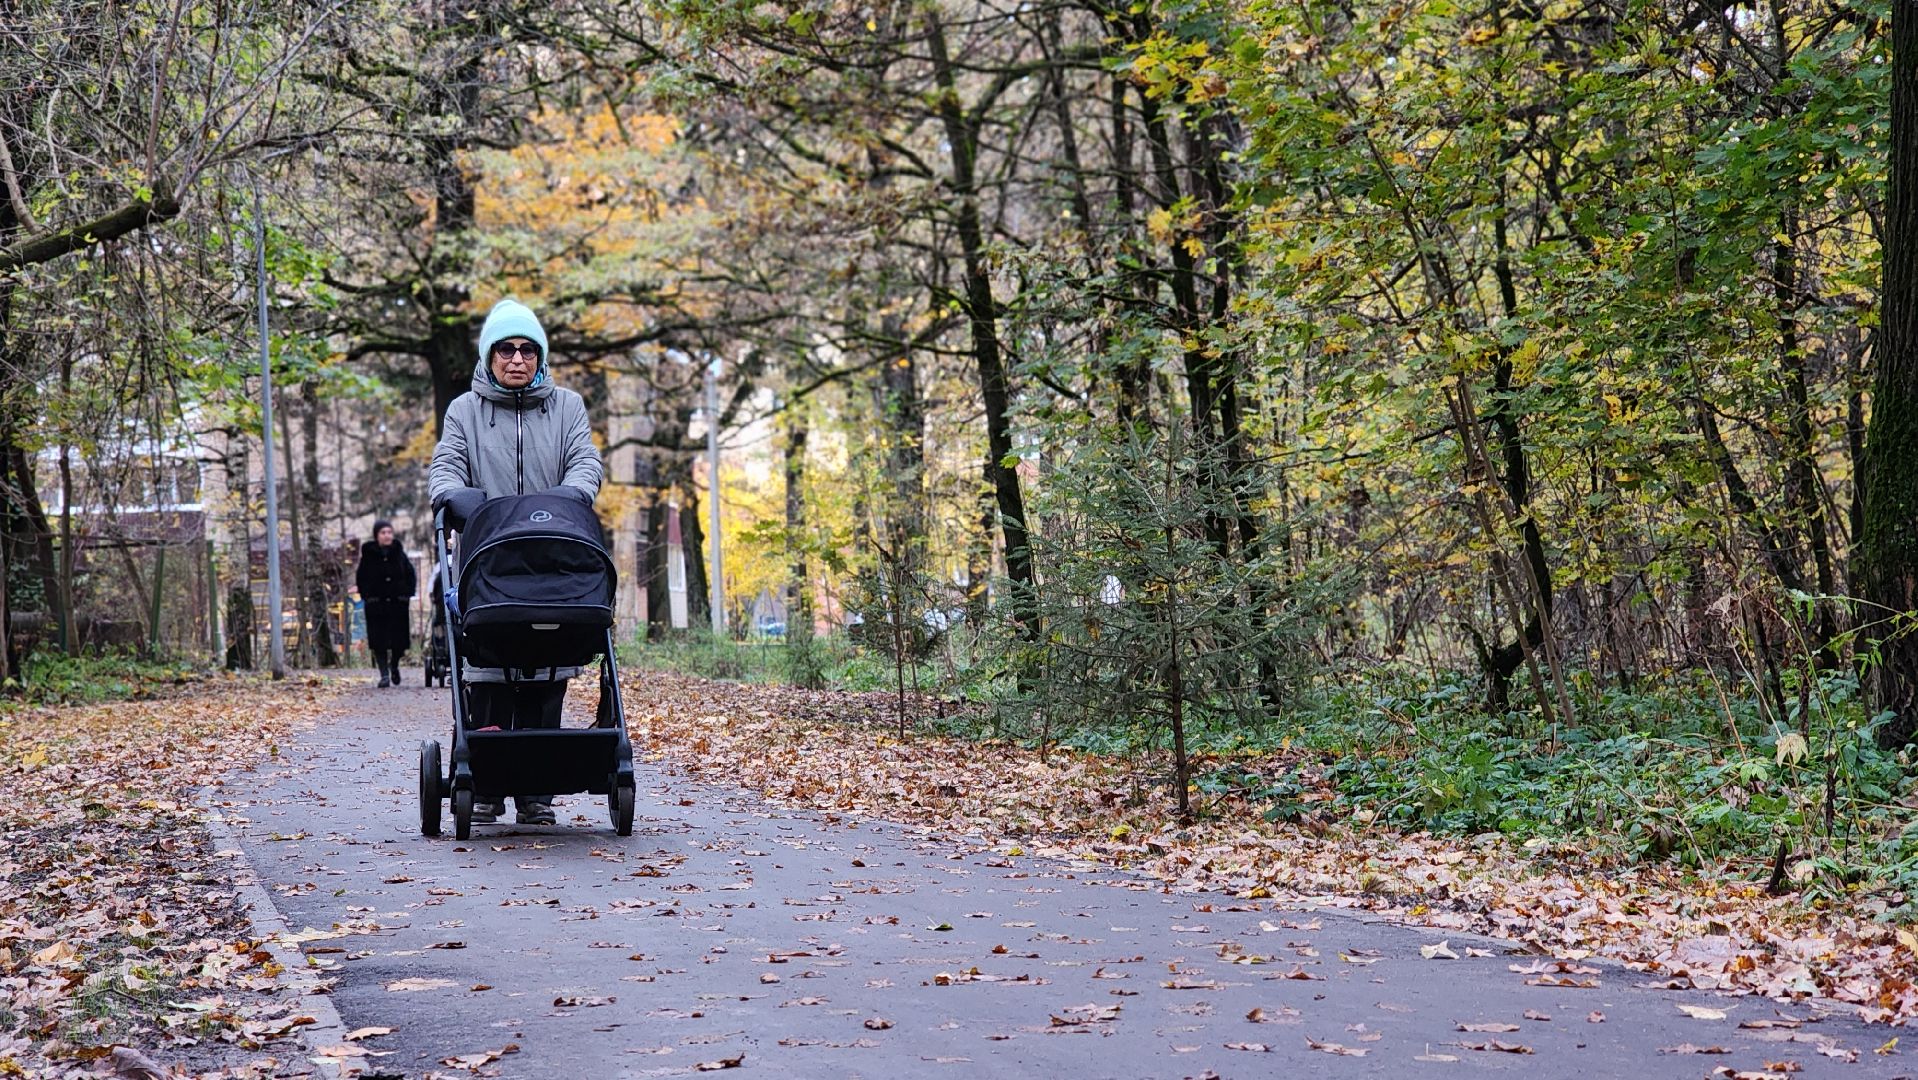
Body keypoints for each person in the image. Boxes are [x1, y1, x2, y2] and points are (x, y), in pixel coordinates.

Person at [428, 298, 603, 825]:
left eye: (528, 349)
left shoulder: (567, 407)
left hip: (555, 558)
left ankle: (536, 792)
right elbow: (446, 466)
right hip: (489, 561)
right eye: (505, 349)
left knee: (550, 661)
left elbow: (585, 461)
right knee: (489, 669)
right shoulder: (464, 411)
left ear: (541, 357)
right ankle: (485, 784)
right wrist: (455, 498)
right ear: (489, 356)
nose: (517, 359)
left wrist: (570, 497)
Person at [355, 521, 417, 688]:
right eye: (383, 532)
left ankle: (394, 665)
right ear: (377, 535)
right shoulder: (368, 555)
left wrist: (406, 594)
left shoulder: (399, 553)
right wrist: (368, 596)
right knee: (379, 641)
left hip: (398, 604)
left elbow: (410, 574)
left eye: (389, 532)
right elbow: (361, 577)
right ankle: (384, 674)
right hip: (377, 605)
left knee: (398, 641)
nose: (387, 535)